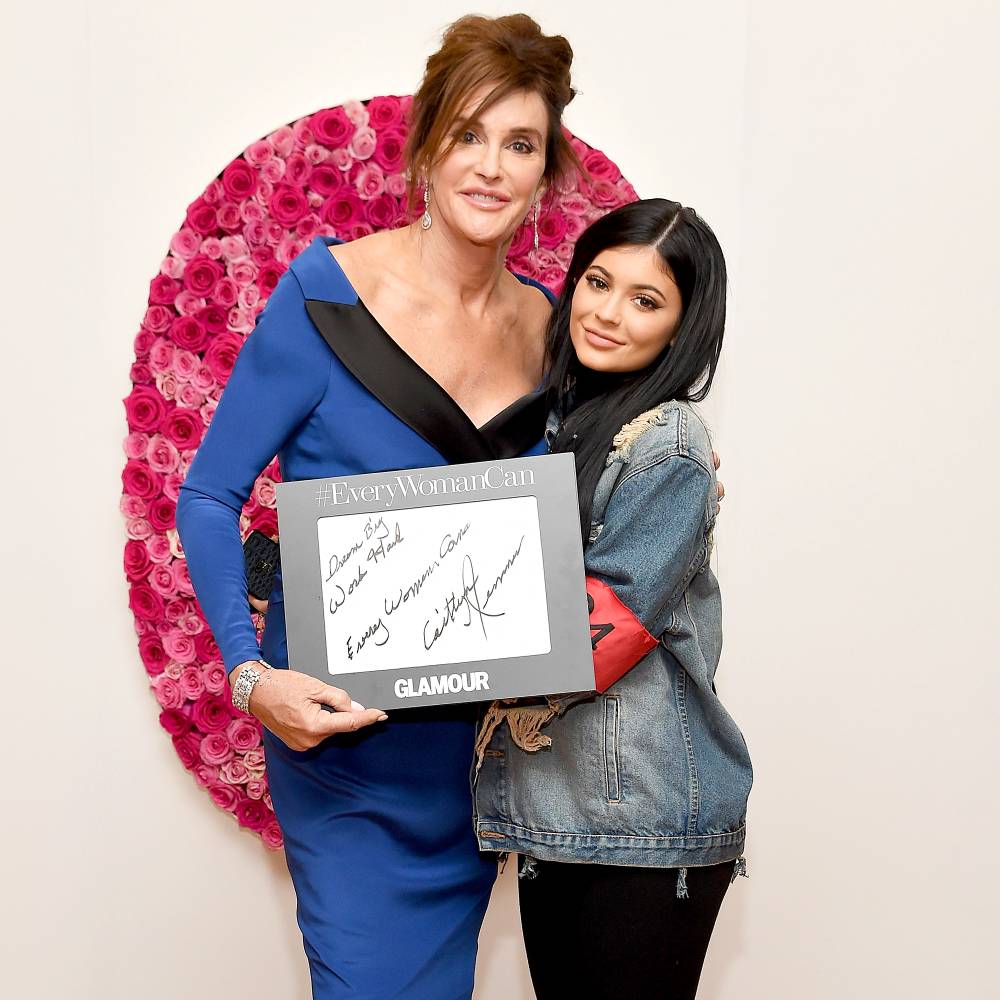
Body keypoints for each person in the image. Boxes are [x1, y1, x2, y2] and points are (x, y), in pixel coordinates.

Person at [176, 14, 580, 999]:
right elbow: (208, 493)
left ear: (543, 173)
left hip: (482, 762)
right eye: (470, 134)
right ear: (427, 143)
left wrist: (683, 469)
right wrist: (246, 674)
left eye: (519, 143)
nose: (490, 166)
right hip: (346, 759)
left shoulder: (552, 325)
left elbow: (577, 503)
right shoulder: (323, 298)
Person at [472, 199, 753, 1000]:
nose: (608, 312)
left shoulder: (667, 442)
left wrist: (438, 653)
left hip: (641, 825)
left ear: (683, 326)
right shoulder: (562, 425)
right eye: (598, 281)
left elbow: (606, 630)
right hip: (564, 816)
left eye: (646, 300)